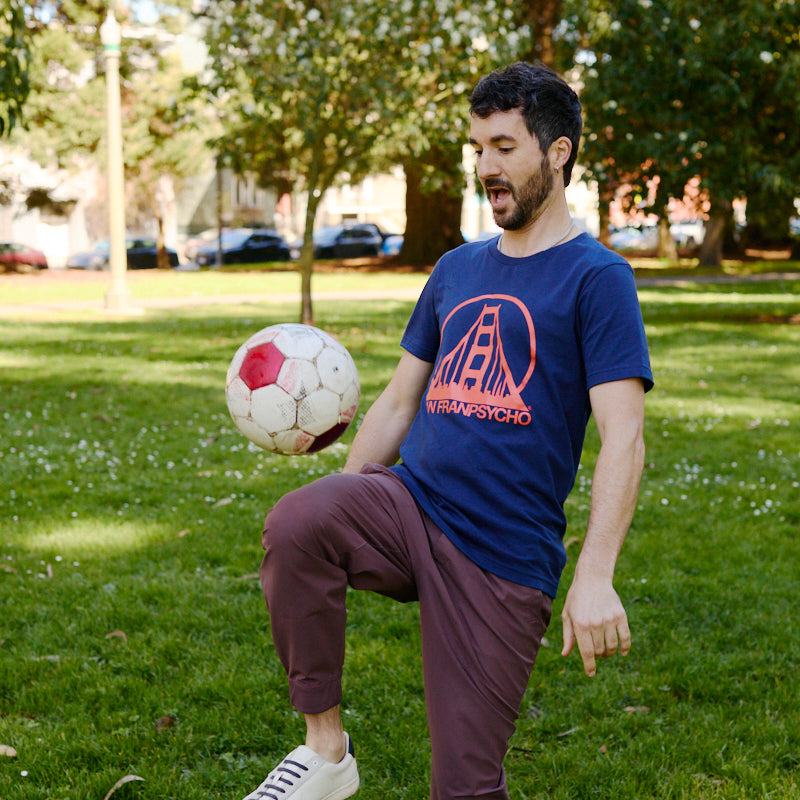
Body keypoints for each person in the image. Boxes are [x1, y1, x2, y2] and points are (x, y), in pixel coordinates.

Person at [241, 61, 653, 800]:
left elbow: (624, 435)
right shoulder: (457, 269)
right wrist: (344, 504)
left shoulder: (598, 279)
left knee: (464, 787)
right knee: (300, 520)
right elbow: (400, 403)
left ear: (557, 153)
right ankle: (326, 755)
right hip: (412, 505)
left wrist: (594, 574)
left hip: (501, 555)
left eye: (503, 148)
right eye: (477, 151)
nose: (486, 170)